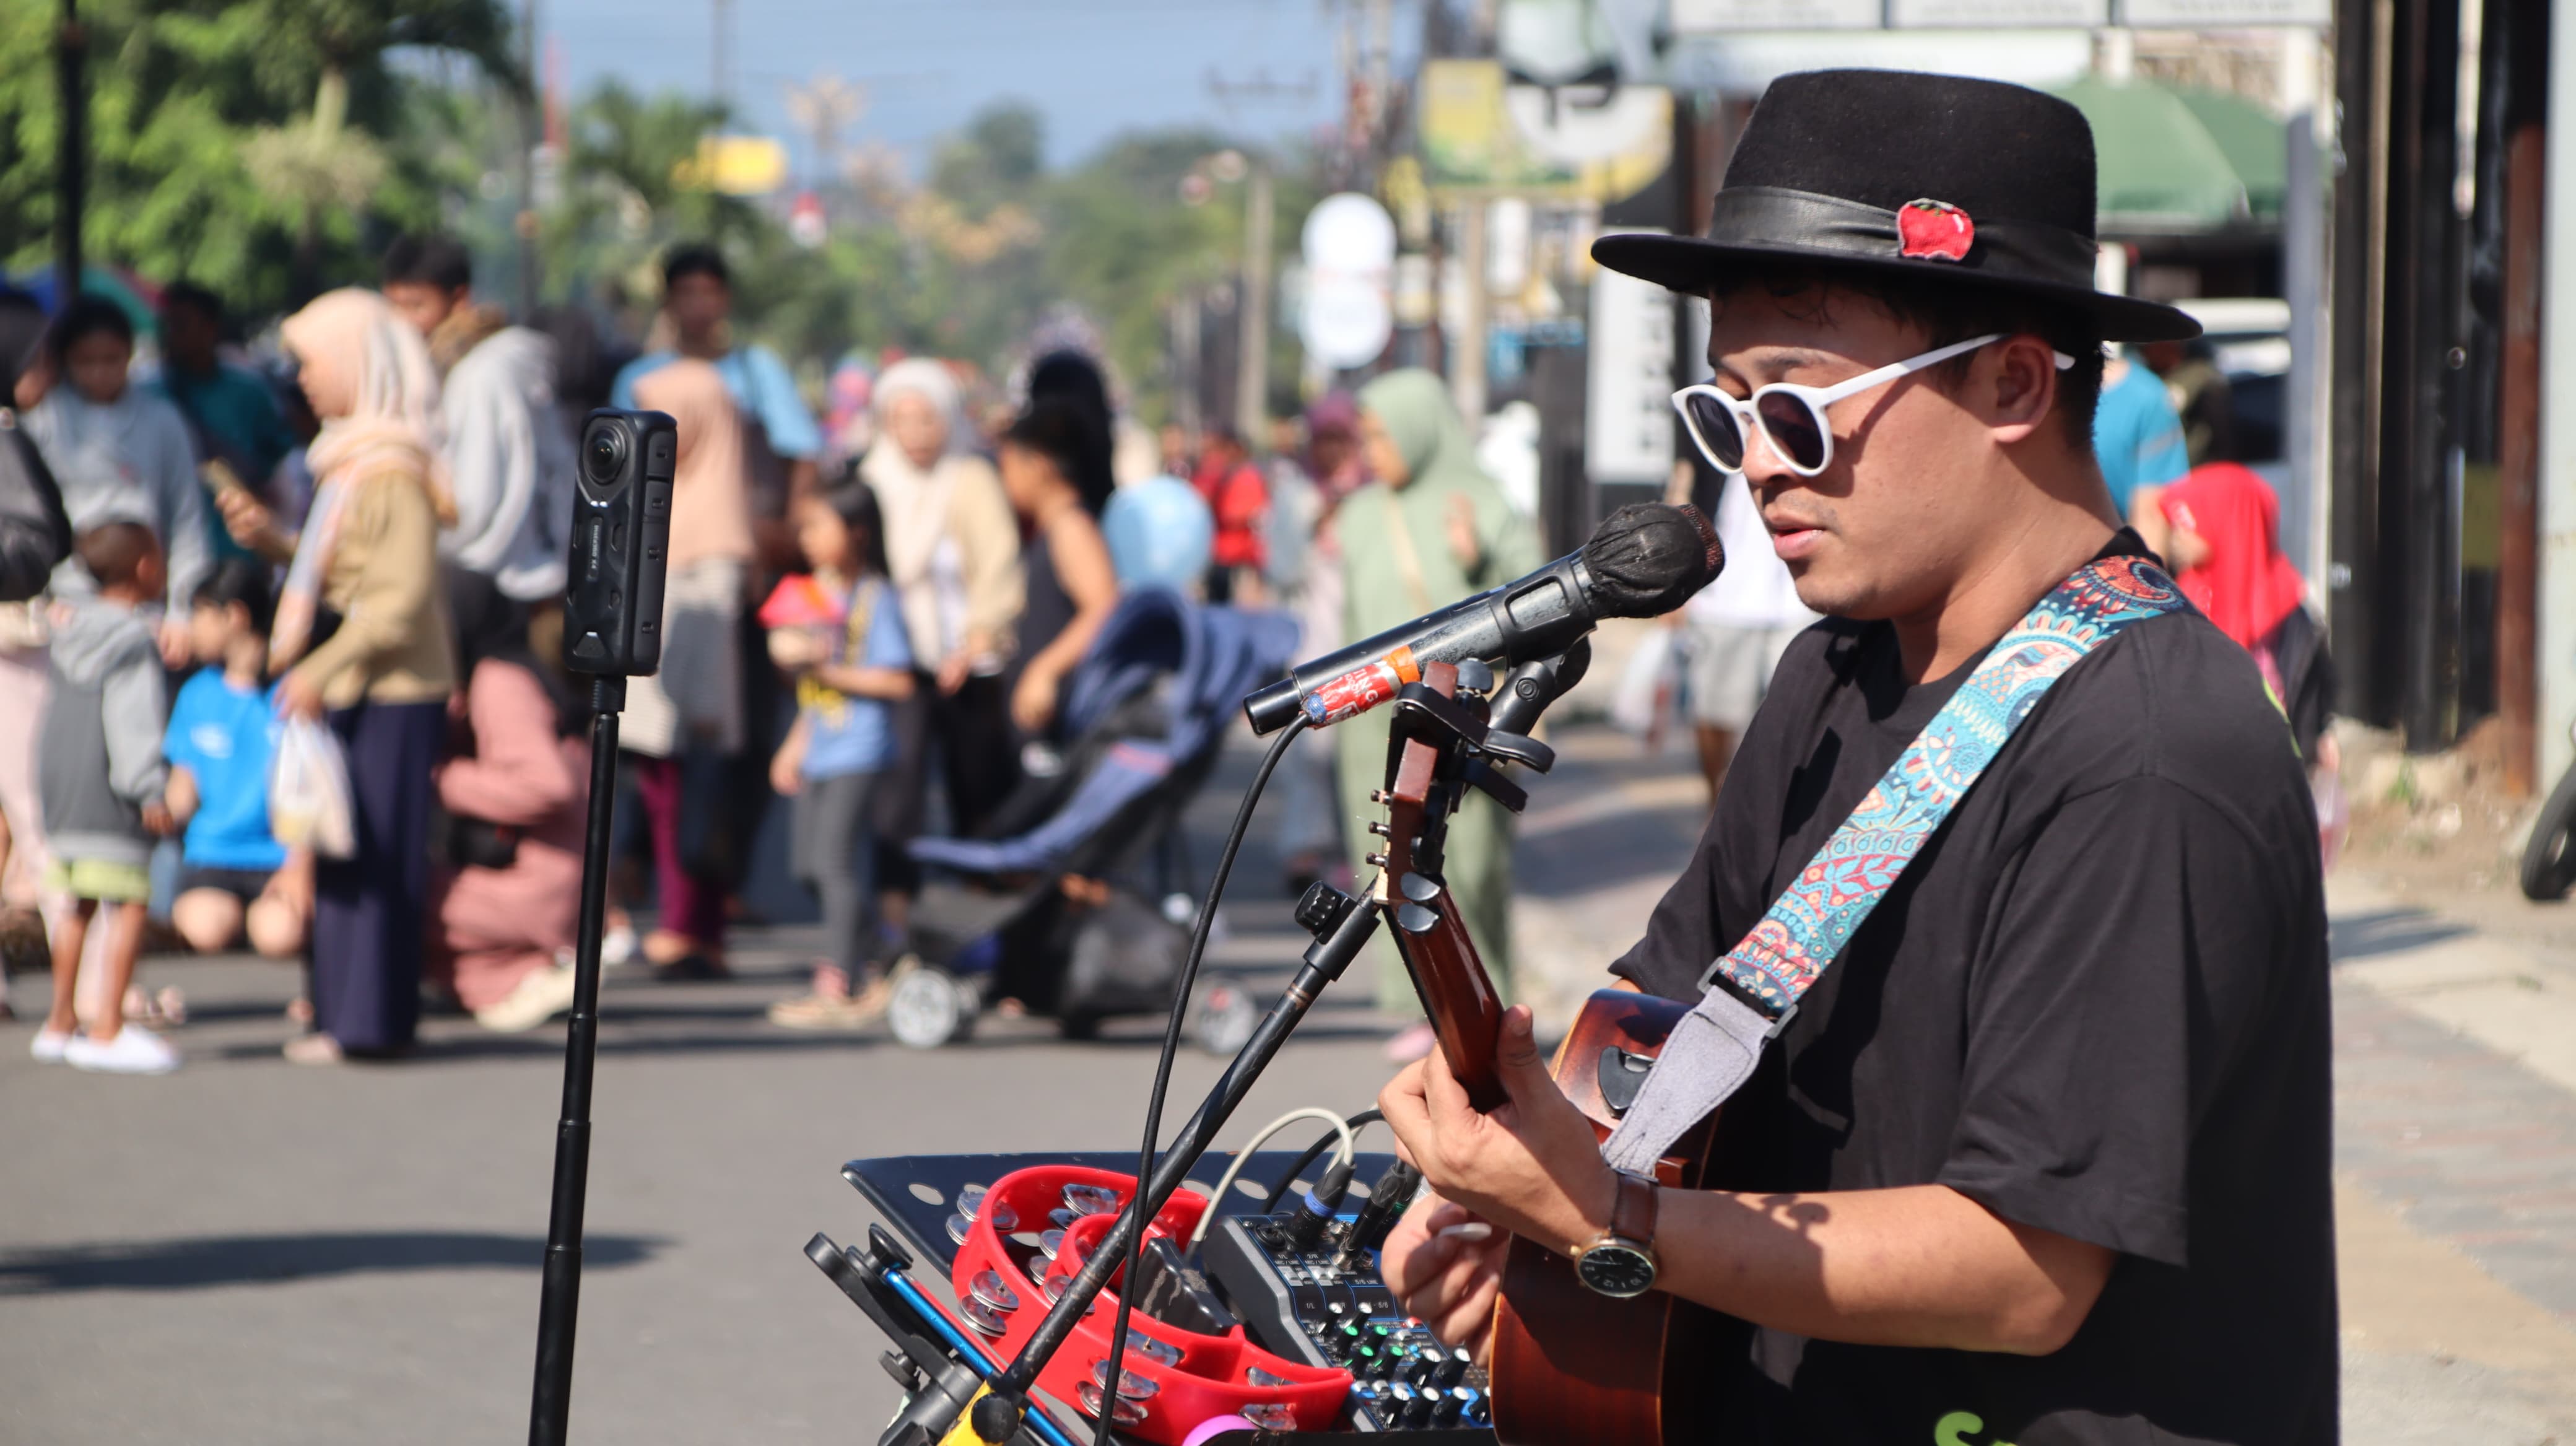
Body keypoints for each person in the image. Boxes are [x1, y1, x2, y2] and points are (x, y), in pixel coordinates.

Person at [1375, 71, 2334, 1444]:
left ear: (2011, 380)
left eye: (1800, 411)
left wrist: (1610, 1217)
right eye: (1725, 417)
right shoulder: (1834, 667)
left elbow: (2024, 1271)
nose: (1757, 468)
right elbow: (1660, 1021)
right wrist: (1508, 1186)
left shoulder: (2145, 752)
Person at [253, 288, 459, 1065]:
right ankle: (347, 1015)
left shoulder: (390, 469)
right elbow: (349, 574)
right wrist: (278, 543)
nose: (301, 377)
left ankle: (367, 1023)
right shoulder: (353, 460)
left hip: (389, 687)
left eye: (311, 362)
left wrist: (321, 668)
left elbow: (397, 598)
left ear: (354, 364)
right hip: (363, 681)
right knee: (347, 851)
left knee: (371, 859)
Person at [1337, 368, 1543, 1061]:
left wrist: (1476, 553)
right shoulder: (1360, 512)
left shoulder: (1478, 501)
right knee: (1390, 854)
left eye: (1381, 435)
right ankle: (1422, 1004)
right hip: (1376, 720)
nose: (1372, 450)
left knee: (1468, 860)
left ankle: (1486, 1002)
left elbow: (1537, 596)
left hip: (1457, 715)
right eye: (1365, 436)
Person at [619, 358, 758, 977]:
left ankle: (687, 925)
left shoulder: (713, 538)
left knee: (680, 798)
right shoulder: (677, 508)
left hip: (684, 718)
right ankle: (695, 926)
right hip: (672, 716)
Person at [761, 484, 915, 1029]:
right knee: (807, 865)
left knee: (835, 863)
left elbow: (898, 681)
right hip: (822, 746)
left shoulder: (875, 597)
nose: (810, 539)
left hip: (860, 748)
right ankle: (877, 955)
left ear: (857, 533)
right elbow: (810, 690)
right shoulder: (816, 594)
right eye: (806, 529)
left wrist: (825, 670)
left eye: (821, 527)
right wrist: (795, 744)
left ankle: (842, 983)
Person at [31, 518, 179, 1073]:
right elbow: (132, 721)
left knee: (78, 904)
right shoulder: (131, 639)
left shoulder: (69, 631)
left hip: (64, 790)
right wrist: (149, 788)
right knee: (131, 903)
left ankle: (60, 1020)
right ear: (145, 567)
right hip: (114, 788)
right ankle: (108, 1027)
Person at [861, 358, 1024, 844]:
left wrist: (974, 641)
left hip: (966, 656)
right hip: (895, 656)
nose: (915, 433)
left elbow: (998, 563)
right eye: (902, 420)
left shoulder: (970, 477)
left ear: (949, 419)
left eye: (926, 419)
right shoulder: (872, 480)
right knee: (900, 778)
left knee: (974, 775)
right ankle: (897, 891)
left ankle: (981, 871)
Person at [429, 572, 590, 1033]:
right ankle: (512, 979)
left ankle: (521, 974)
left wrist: (441, 780)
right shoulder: (515, 673)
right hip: (550, 878)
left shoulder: (500, 681)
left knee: (389, 898)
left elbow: (548, 785)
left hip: (536, 887)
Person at [381, 233, 576, 604]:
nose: (404, 323)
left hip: (502, 585)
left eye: (416, 306)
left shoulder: (481, 375)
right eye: (395, 308)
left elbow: (476, 502)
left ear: (459, 299)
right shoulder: (485, 363)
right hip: (529, 573)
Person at [24, 295, 209, 664]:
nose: (99, 373)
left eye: (111, 360)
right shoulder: (46, 420)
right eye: (86, 361)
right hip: (67, 603)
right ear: (66, 361)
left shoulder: (162, 420)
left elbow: (187, 517)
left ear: (130, 354)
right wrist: (39, 600)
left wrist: (182, 607)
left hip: (145, 603)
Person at [612, 245, 822, 564]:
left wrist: (788, 530)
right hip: (663, 545)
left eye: (708, 293)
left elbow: (802, 451)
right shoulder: (639, 379)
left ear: (726, 299)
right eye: (687, 293)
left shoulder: (757, 369)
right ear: (667, 301)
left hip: (745, 542)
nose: (698, 305)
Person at [162, 559, 308, 962]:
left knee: (279, 936)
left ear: (236, 617)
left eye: (202, 614)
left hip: (278, 857)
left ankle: (264, 917)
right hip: (212, 854)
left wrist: (300, 866)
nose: (191, 627)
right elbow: (182, 792)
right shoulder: (196, 693)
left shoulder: (292, 690)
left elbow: (313, 789)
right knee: (205, 928)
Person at [1665, 454, 1817, 804]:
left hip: (1795, 602)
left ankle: (1771, 808)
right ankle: (1716, 804)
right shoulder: (1718, 430)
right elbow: (1683, 483)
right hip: (1725, 598)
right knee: (1713, 713)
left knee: (1794, 717)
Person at [2160, 461, 2335, 762]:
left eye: (2188, 524)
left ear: (2228, 523)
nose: (2177, 539)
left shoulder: (2286, 613)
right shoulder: (2184, 599)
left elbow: (2306, 708)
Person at [994, 403, 1120, 739]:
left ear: (1038, 465)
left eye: (1008, 466)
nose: (1004, 480)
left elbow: (1104, 606)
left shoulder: (1071, 527)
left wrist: (1044, 671)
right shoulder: (1052, 526)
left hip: (1064, 715)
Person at [152, 282, 298, 567]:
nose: (171, 335)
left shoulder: (249, 391)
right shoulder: (150, 393)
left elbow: (278, 465)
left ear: (211, 328)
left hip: (241, 547)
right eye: (166, 326)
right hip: (172, 547)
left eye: (181, 325)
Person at [2093, 344, 2189, 557]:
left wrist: (2145, 583)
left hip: (2107, 564)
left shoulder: (2147, 397)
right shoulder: (2018, 389)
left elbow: (2151, 514)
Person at [1190, 424, 1270, 604]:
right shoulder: (1218, 474)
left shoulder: (1249, 476)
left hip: (1240, 560)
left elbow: (1238, 514)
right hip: (1218, 558)